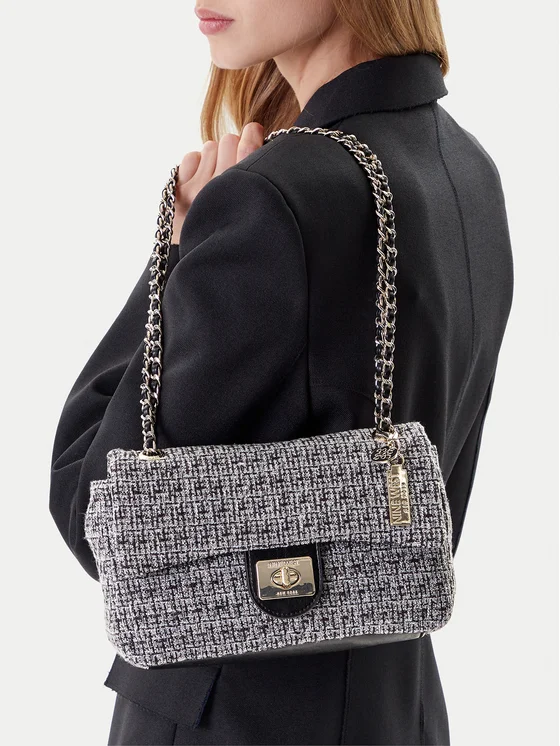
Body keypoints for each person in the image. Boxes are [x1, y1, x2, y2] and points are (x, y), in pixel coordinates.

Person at [48, 1, 514, 744]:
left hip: (233, 716)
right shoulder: (462, 163)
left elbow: (96, 510)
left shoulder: (272, 198)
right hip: (396, 707)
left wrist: (181, 250)